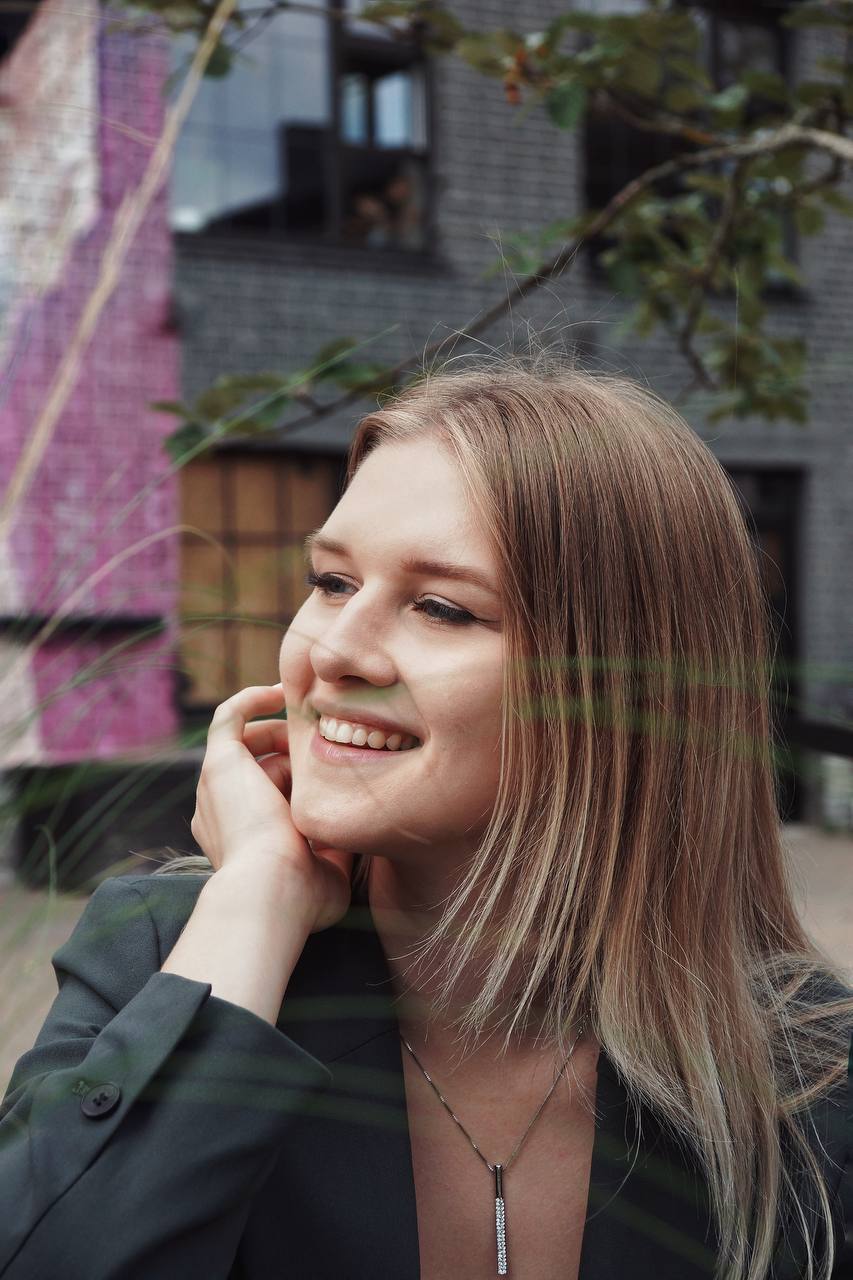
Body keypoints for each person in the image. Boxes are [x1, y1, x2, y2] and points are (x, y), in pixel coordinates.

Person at [1, 358, 851, 1280]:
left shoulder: (809, 1074)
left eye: (441, 608)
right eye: (331, 581)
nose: (332, 648)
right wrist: (256, 904)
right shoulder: (163, 955)